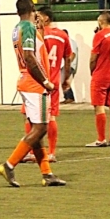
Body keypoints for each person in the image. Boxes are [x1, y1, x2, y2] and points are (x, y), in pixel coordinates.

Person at [0, 0, 64, 188]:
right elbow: (29, 56)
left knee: (36, 130)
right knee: (41, 128)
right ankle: (9, 165)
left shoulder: (18, 28)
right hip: (35, 84)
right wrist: (45, 81)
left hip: (26, 82)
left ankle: (47, 174)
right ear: (32, 9)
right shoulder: (27, 27)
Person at [38, 9, 72, 161]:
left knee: (30, 116)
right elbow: (68, 58)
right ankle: (51, 153)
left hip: (39, 80)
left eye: (38, 16)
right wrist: (66, 78)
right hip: (54, 80)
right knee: (51, 116)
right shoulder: (63, 35)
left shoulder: (39, 33)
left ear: (46, 18)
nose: (36, 19)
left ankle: (33, 151)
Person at [86, 12, 110, 147]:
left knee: (99, 106)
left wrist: (92, 71)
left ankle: (101, 139)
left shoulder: (100, 35)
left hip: (101, 75)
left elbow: (93, 58)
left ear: (101, 22)